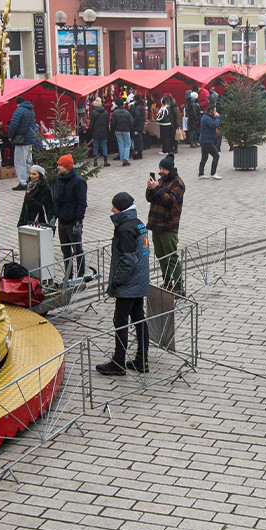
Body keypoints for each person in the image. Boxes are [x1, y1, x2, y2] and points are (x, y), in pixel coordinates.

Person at [96, 192, 150, 375]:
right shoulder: (138, 223)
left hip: (128, 285)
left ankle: (118, 362)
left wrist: (116, 281)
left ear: (121, 209)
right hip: (140, 282)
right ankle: (142, 361)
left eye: (114, 207)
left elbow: (128, 260)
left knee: (120, 321)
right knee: (139, 319)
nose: (111, 210)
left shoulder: (124, 229)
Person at [146, 156, 186, 294]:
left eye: (163, 169)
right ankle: (167, 283)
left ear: (169, 169)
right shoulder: (161, 181)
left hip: (168, 226)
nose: (160, 171)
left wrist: (157, 188)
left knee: (171, 257)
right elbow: (149, 198)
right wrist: (150, 188)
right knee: (161, 256)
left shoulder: (178, 183)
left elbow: (170, 201)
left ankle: (179, 286)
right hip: (155, 224)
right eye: (160, 168)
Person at [52, 154, 89, 278]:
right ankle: (68, 275)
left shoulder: (78, 182)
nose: (57, 167)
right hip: (62, 221)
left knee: (77, 249)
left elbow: (82, 203)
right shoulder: (59, 181)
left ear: (67, 167)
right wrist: (54, 217)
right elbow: (56, 201)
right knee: (65, 251)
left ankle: (81, 274)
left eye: (60, 165)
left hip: (73, 222)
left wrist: (79, 221)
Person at [7, 100, 39, 190]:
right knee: (29, 161)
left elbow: (13, 125)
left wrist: (10, 136)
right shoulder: (31, 111)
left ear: (18, 103)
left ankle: (23, 183)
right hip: (29, 140)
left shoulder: (19, 110)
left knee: (20, 162)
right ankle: (31, 179)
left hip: (21, 140)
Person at [196, 108, 222, 178]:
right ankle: (213, 173)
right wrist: (217, 117)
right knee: (216, 155)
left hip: (204, 140)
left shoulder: (207, 117)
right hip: (207, 141)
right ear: (211, 111)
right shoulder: (207, 118)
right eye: (215, 111)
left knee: (204, 157)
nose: (215, 112)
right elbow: (214, 125)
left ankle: (201, 173)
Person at [86, 98, 112, 164]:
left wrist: (90, 131)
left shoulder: (94, 113)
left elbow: (92, 124)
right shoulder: (105, 113)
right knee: (104, 146)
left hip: (95, 132)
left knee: (95, 146)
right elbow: (107, 123)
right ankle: (105, 161)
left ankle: (95, 161)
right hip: (104, 132)